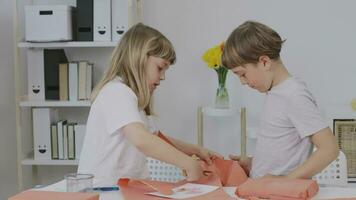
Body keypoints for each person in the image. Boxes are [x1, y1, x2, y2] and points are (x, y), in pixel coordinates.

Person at [78, 23, 221, 186]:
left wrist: (196, 151)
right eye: (160, 68)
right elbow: (142, 139)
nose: (163, 77)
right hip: (105, 189)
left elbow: (156, 138)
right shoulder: (116, 92)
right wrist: (186, 163)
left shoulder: (134, 100)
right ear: (138, 58)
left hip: (128, 188)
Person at [222, 21, 339, 179]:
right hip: (263, 189)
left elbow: (329, 149)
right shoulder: (276, 93)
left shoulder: (294, 95)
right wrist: (253, 163)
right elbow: (284, 149)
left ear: (264, 62)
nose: (242, 82)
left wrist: (285, 181)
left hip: (280, 193)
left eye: (242, 74)